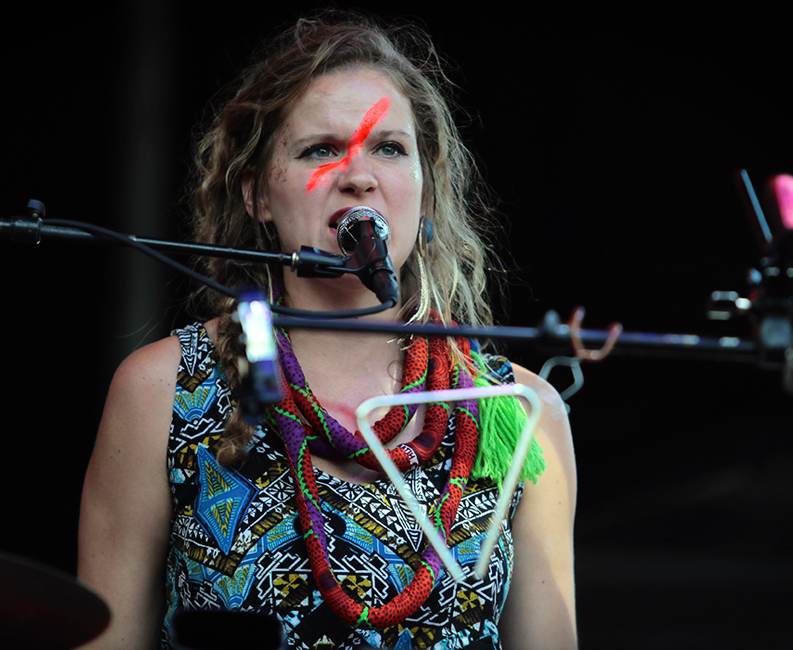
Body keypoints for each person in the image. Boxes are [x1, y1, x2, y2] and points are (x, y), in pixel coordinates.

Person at [78, 12, 577, 650]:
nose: (359, 174)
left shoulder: (519, 411)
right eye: (321, 150)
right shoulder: (162, 390)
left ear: (424, 195)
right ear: (257, 195)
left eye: (390, 148)